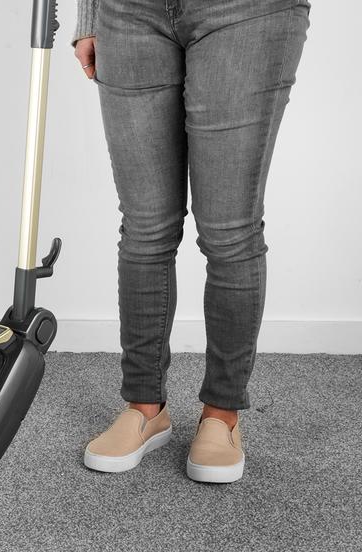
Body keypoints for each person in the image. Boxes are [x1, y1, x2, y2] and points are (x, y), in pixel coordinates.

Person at [72, 0, 310, 483]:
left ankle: (222, 415)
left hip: (248, 12)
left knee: (228, 230)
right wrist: (89, 17)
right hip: (127, 11)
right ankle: (145, 408)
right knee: (145, 227)